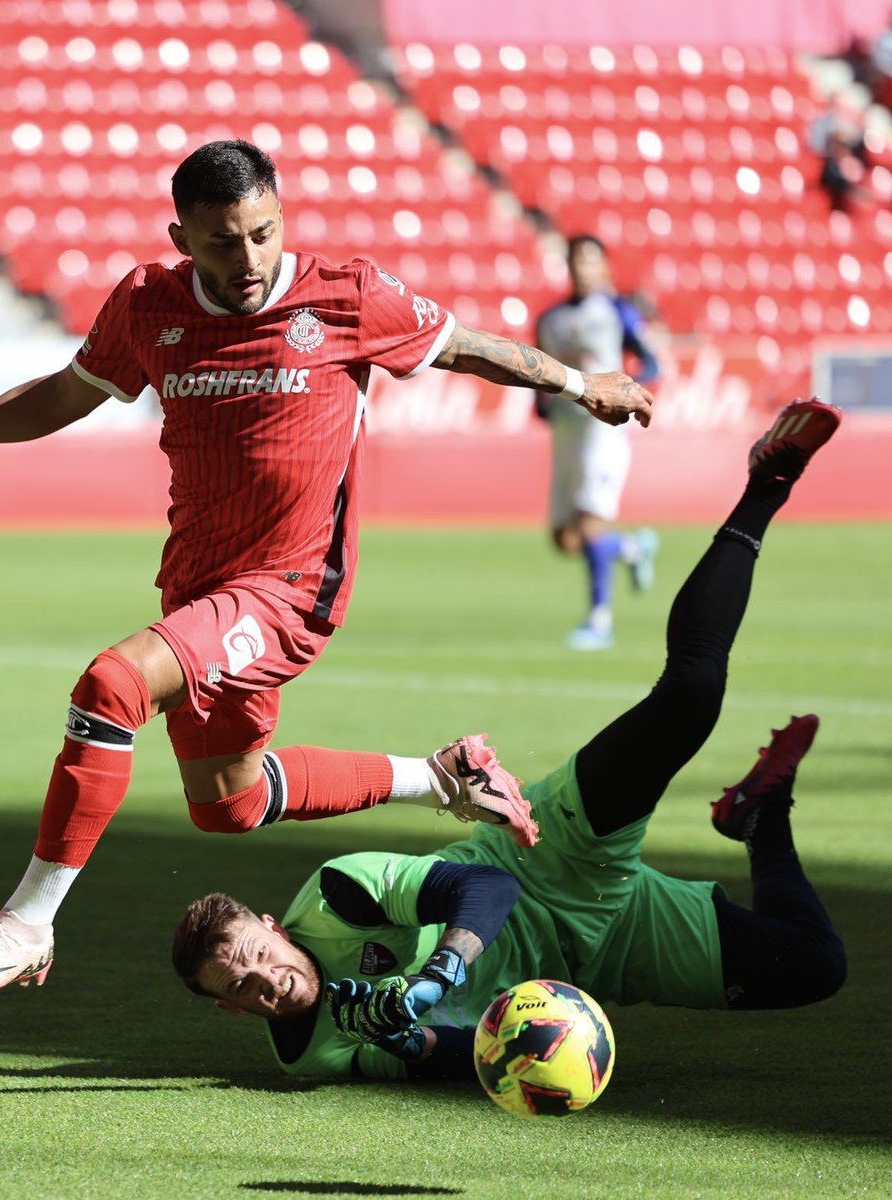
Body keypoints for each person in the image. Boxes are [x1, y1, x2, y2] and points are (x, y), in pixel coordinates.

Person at [0, 139, 653, 1005]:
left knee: (112, 686)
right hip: (199, 585)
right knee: (226, 800)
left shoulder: (345, 295)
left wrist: (577, 383)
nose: (250, 258)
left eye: (264, 232)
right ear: (181, 236)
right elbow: (67, 393)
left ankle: (27, 923)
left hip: (290, 589)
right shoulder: (147, 305)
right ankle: (444, 776)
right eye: (223, 241)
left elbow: (463, 347)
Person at [171, 398, 846, 1082]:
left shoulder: (337, 896)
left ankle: (767, 485)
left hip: (547, 857)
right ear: (233, 1012)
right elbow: (462, 1063)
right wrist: (410, 1041)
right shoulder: (313, 1055)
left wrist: (435, 976)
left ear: (272, 926)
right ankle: (760, 817)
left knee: (691, 696)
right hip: (602, 953)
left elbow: (487, 888)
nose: (267, 981)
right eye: (241, 989)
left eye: (258, 954)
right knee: (816, 966)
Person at [533, 235, 662, 651]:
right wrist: (541, 403)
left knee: (589, 525)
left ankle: (599, 620)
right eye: (575, 262)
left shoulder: (616, 312)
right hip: (566, 432)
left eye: (590, 262)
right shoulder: (549, 319)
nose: (582, 270)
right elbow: (537, 367)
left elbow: (651, 358)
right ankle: (631, 548)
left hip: (603, 429)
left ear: (604, 267)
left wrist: (631, 391)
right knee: (564, 539)